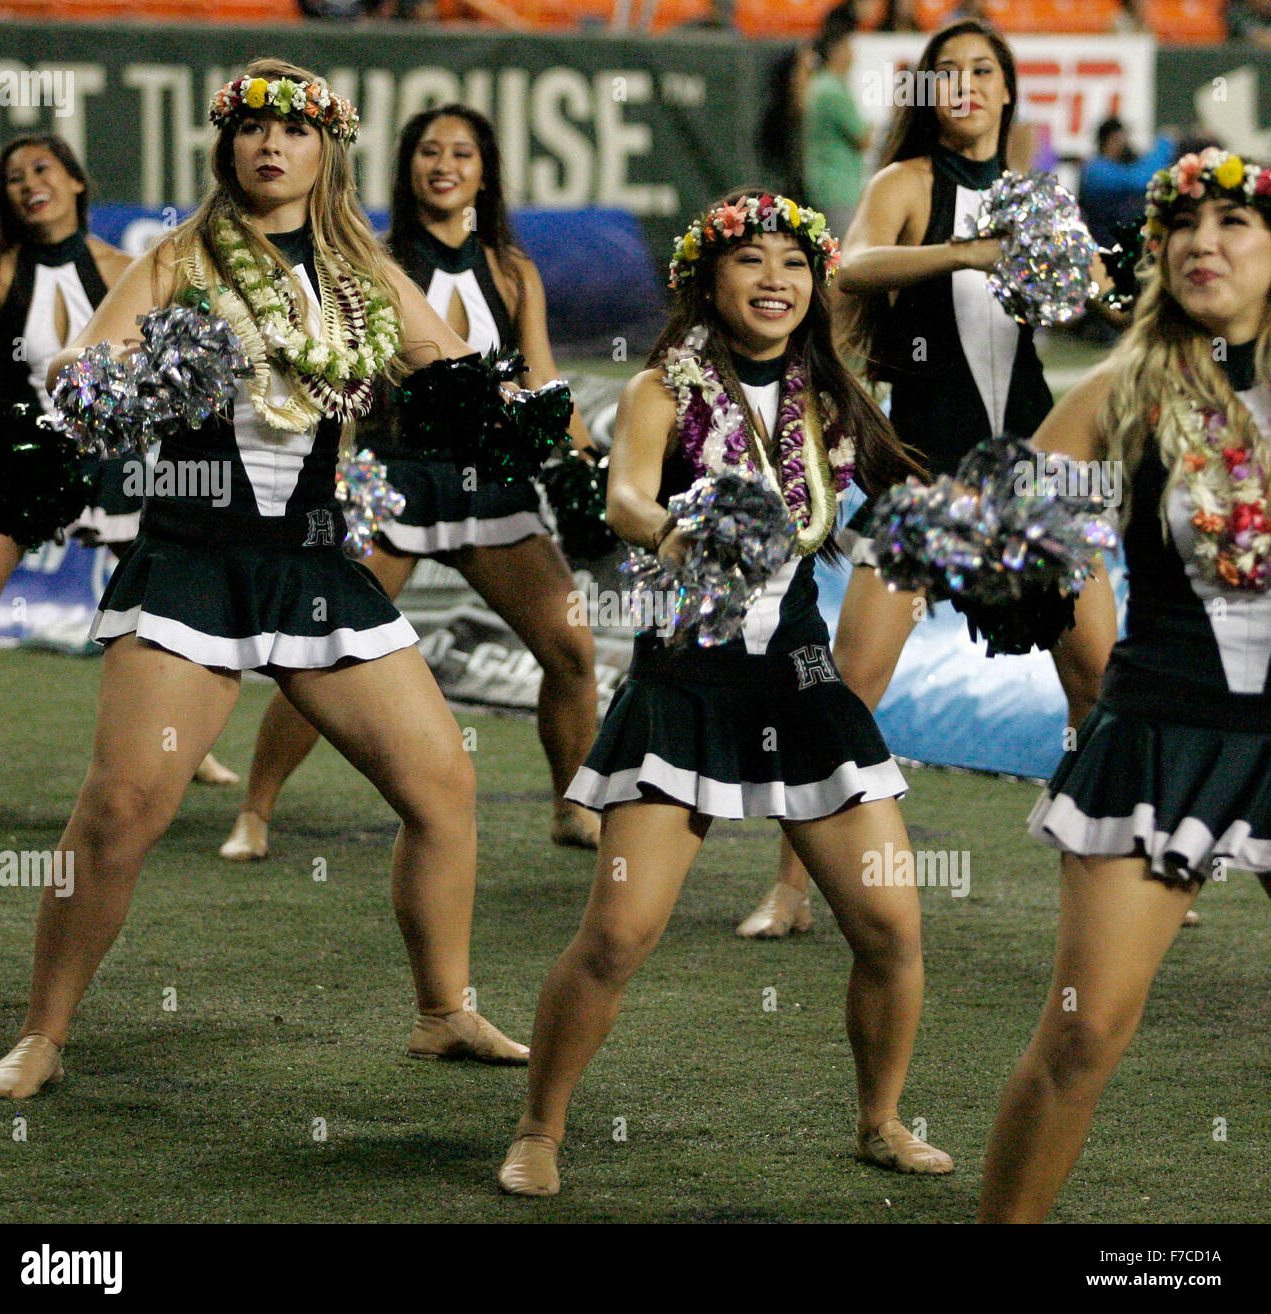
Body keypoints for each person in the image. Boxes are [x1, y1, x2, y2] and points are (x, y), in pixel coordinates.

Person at [0, 58, 528, 1102]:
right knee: (124, 805)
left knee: (443, 787)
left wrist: (504, 415)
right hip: (194, 557)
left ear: (327, 151)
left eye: (293, 131)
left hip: (319, 559)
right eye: (249, 131)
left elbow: (452, 365)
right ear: (225, 149)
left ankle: (442, 1011)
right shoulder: (180, 258)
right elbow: (79, 378)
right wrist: (128, 384)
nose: (269, 147)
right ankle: (44, 1032)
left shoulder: (362, 267)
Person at [496, 188, 955, 1197]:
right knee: (617, 935)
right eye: (750, 261)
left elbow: (906, 482)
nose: (774, 280)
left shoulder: (830, 393)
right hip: (684, 683)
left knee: (890, 928)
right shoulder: (671, 384)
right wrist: (668, 531)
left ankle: (880, 1120)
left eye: (793, 264)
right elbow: (623, 492)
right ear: (708, 280)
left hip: (799, 686)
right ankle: (538, 1127)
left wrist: (981, 521)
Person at [736, 18, 1119, 939]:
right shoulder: (905, 183)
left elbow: (1100, 293)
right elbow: (853, 265)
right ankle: (791, 889)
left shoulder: (1037, 194)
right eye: (948, 74)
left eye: (984, 71)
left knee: (1098, 681)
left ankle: (1117, 867)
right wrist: (966, 252)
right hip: (923, 473)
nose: (967, 87)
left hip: (1032, 473)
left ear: (1007, 88)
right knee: (853, 682)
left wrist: (1114, 280)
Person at [980, 147, 1271, 1221]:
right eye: (1182, 226)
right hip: (1160, 732)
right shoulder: (1119, 393)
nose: (1204, 242)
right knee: (1082, 1031)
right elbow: (1000, 532)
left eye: (1234, 222)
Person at [219, 103, 601, 862]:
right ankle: (255, 811)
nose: (445, 165)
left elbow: (541, 381)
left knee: (573, 650)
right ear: (408, 166)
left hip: (491, 486)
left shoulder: (513, 271)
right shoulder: (371, 256)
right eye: (430, 151)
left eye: (463, 152)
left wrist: (588, 465)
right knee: (320, 644)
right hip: (393, 477)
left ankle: (571, 807)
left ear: (485, 172)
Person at [0, 133, 238, 785]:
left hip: (115, 456)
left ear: (77, 182)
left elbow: (185, 370)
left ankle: (188, 743)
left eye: (43, 168)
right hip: (23, 456)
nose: (30, 183)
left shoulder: (128, 268)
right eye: (13, 177)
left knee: (164, 606)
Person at [803, 5, 873, 240]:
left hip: (826, 184)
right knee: (842, 256)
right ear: (838, 52)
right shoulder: (833, 92)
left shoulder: (821, 85)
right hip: (838, 190)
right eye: (849, 48)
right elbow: (863, 139)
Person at [1079, 116, 1176, 249]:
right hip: (1103, 246)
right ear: (1111, 139)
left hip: (1119, 242)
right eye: (1120, 139)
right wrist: (1164, 142)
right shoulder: (1096, 170)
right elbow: (1140, 180)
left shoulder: (1116, 166)